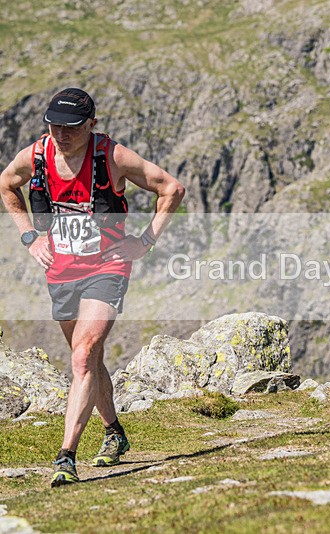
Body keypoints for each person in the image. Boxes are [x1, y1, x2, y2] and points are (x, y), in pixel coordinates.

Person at [0, 88, 185, 487]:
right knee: (89, 357)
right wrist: (30, 236)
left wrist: (145, 241)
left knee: (83, 355)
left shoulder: (112, 156)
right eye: (53, 125)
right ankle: (115, 431)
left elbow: (171, 188)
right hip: (61, 271)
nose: (60, 134)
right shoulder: (35, 156)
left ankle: (66, 456)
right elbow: (6, 185)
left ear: (92, 125)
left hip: (108, 265)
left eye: (70, 127)